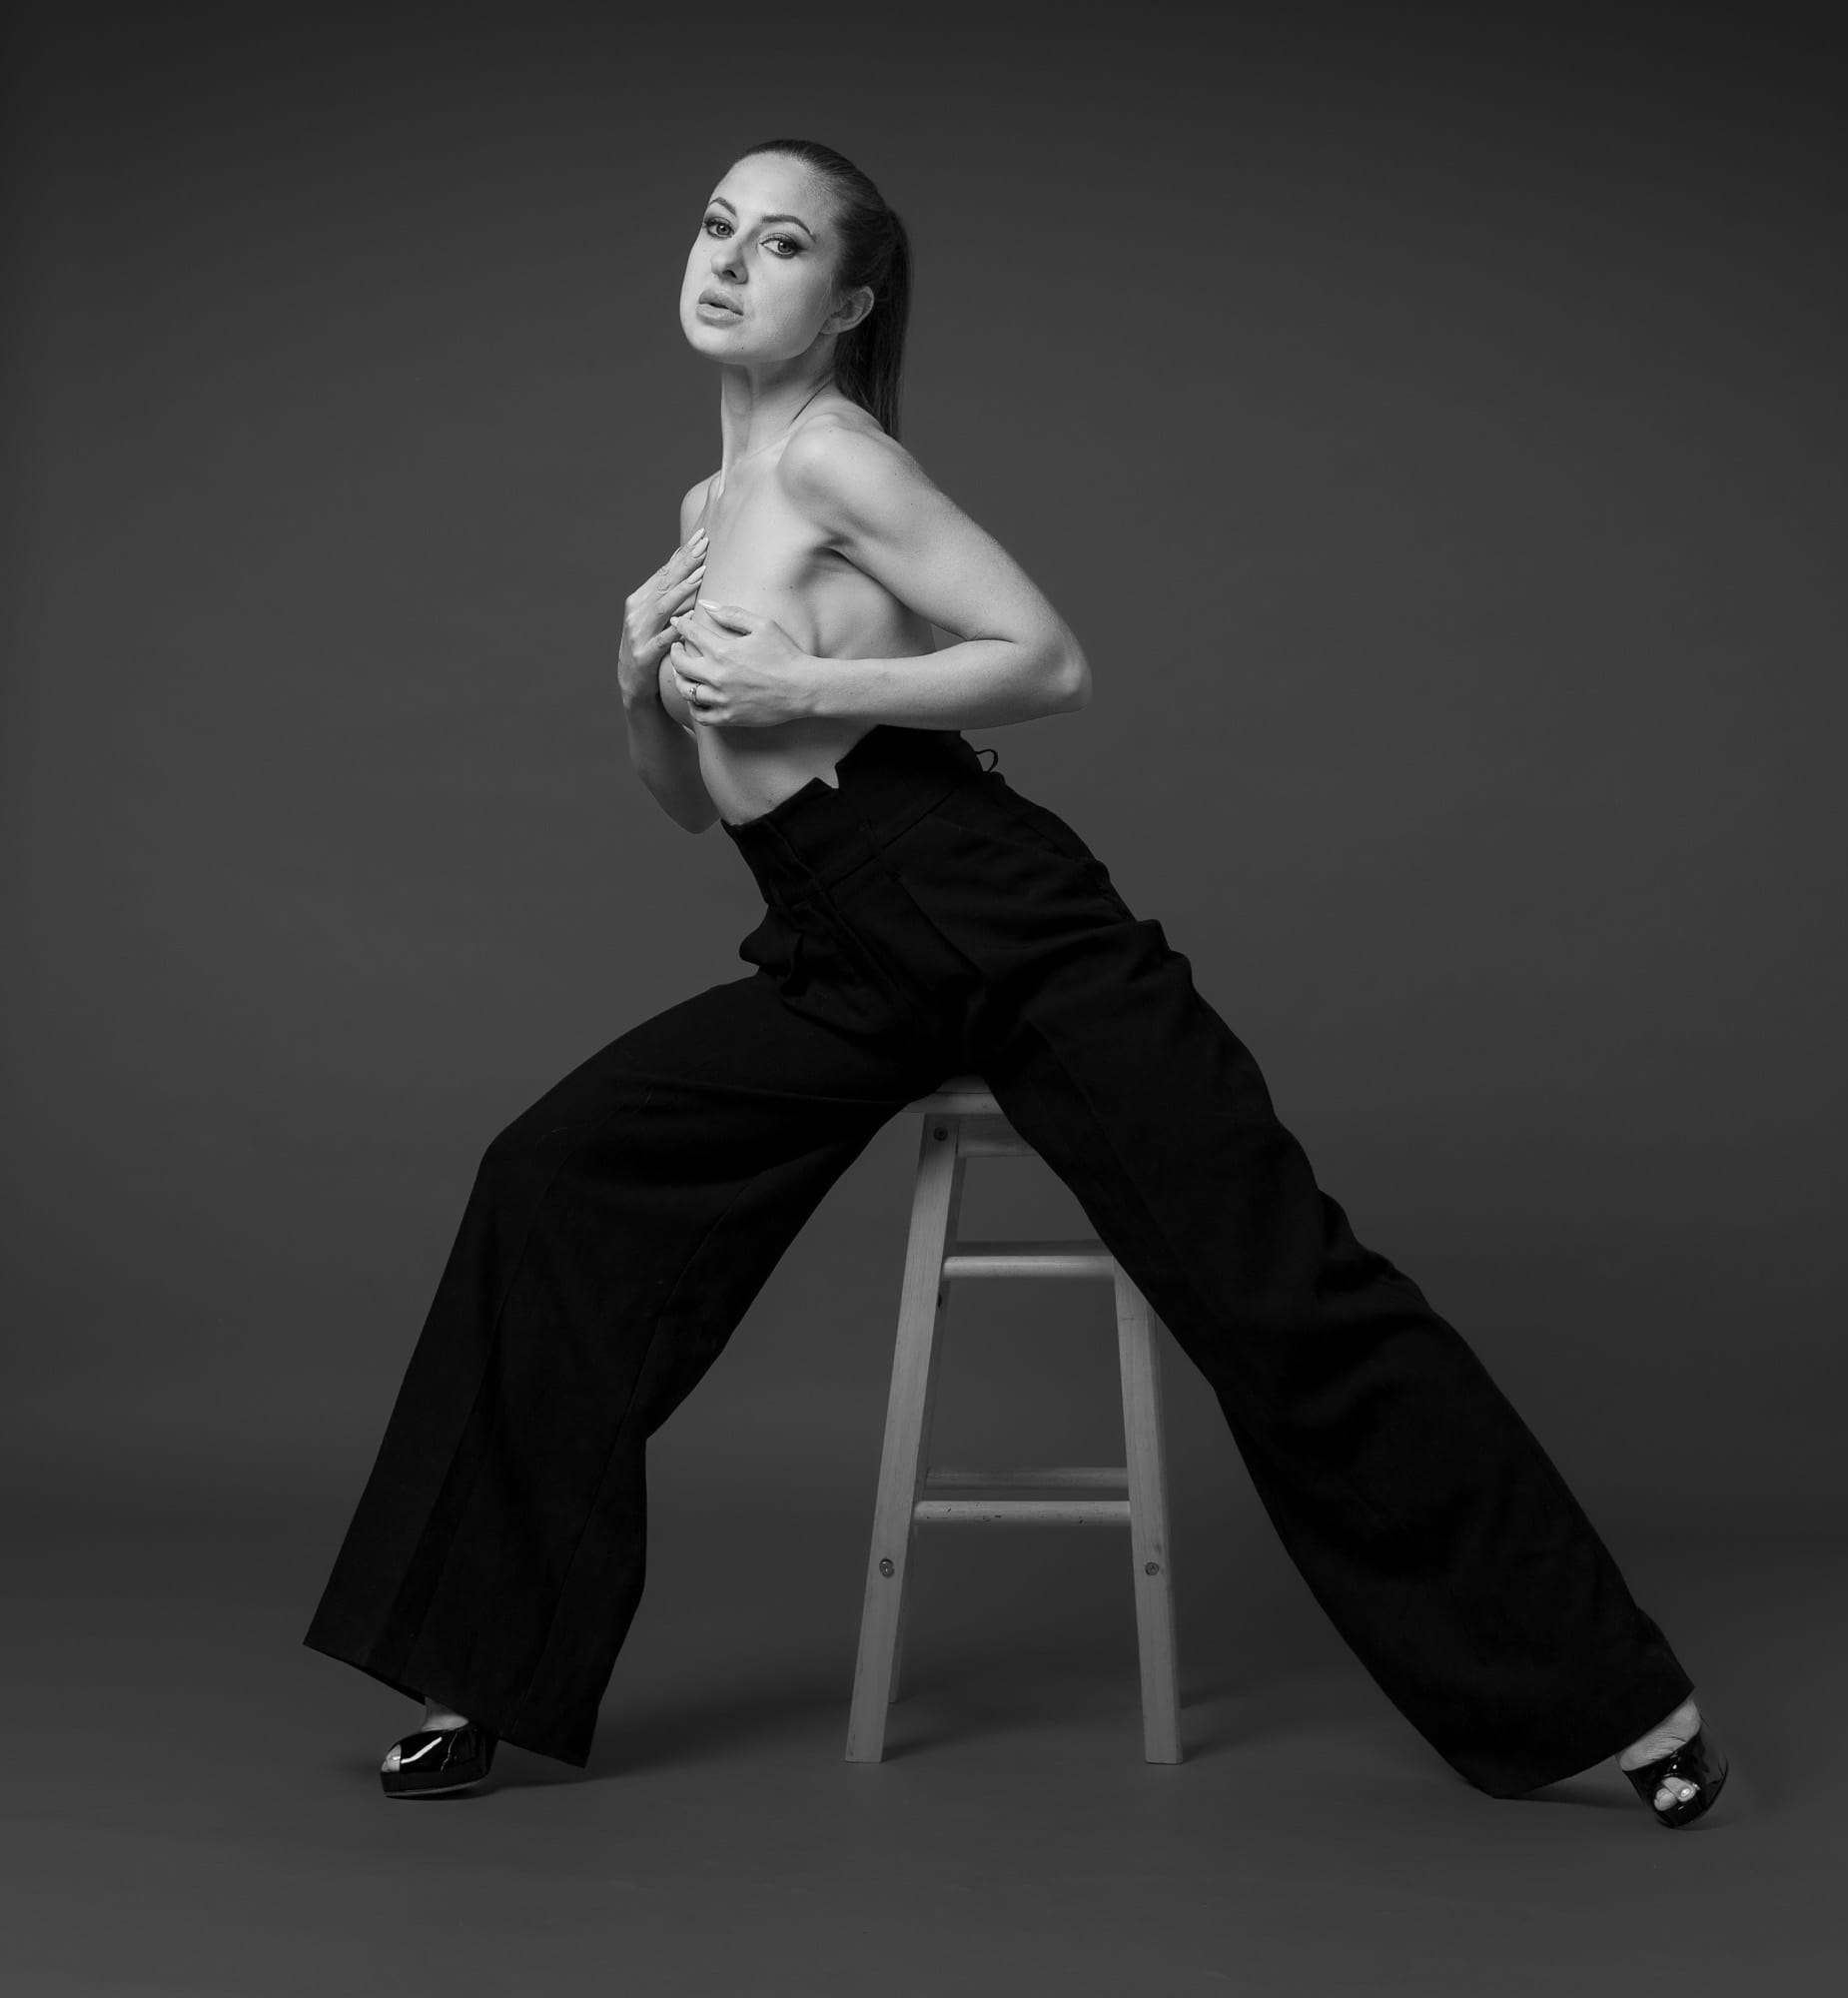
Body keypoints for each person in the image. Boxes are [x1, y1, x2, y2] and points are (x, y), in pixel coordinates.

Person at [304, 138, 1730, 1829]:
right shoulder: (704, 518)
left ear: (846, 303)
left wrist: (815, 674)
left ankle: (1629, 1709)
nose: (727, 262)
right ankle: (485, 1677)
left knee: (1281, 1289)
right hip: (839, 945)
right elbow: (697, 799)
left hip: (993, 910)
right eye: (714, 228)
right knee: (553, 1177)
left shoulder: (838, 461)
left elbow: (1048, 660)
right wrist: (637, 685)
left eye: (778, 246)